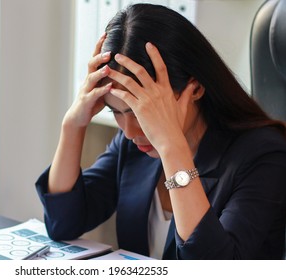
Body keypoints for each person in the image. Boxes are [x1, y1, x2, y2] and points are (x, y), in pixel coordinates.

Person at [35, 4, 286, 259]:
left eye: (140, 110)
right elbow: (63, 222)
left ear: (195, 89)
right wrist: (73, 124)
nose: (130, 131)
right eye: (116, 112)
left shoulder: (264, 155)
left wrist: (172, 148)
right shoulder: (133, 145)